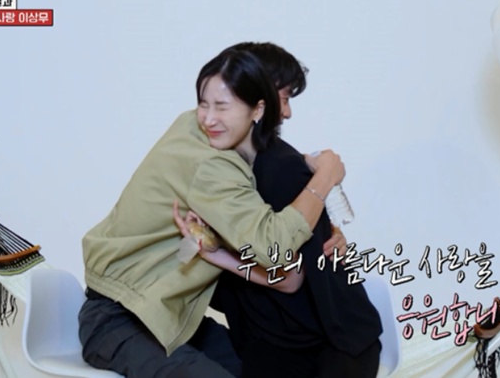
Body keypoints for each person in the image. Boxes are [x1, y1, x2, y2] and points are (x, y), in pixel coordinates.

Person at [79, 46, 346, 378]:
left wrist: (325, 228)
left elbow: (259, 184)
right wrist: (325, 177)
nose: (208, 117)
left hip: (164, 316)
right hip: (120, 318)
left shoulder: (193, 128)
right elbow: (274, 247)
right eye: (205, 104)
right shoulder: (213, 164)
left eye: (221, 105)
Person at [174, 42, 383, 378]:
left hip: (329, 343)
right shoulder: (219, 168)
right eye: (284, 98)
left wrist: (218, 254)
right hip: (276, 338)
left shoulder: (282, 168)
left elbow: (292, 275)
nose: (287, 113)